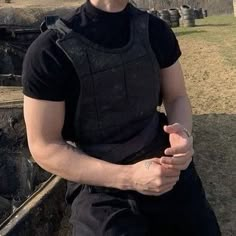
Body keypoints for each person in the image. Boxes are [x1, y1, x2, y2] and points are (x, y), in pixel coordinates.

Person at [22, 0, 221, 235]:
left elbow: (177, 97)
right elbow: (44, 146)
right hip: (100, 185)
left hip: (165, 168)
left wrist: (182, 135)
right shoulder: (50, 51)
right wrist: (129, 177)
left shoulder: (155, 31)